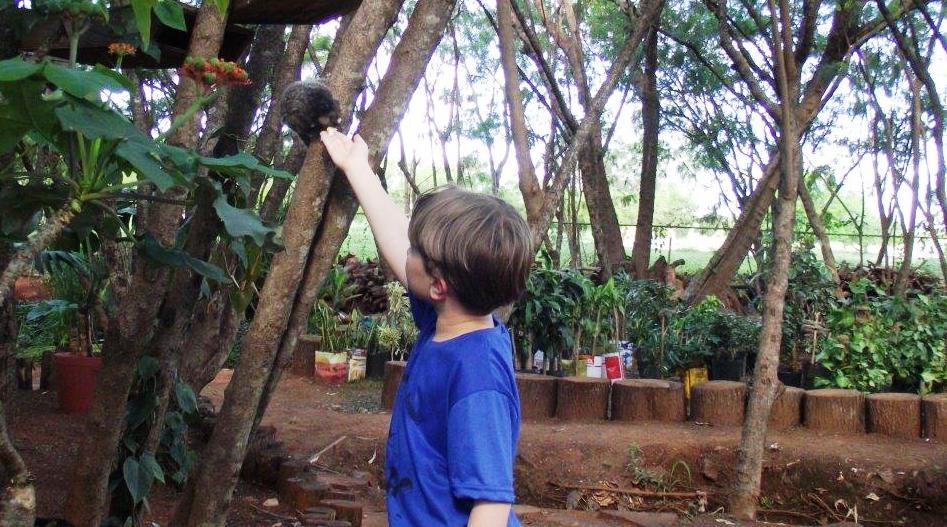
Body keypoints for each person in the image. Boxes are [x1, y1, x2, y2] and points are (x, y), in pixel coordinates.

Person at [320, 128, 532, 527]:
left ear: (438, 286)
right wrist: (357, 169)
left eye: (417, 250)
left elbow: (490, 503)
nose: (407, 252)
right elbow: (396, 239)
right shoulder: (448, 318)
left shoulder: (477, 376)